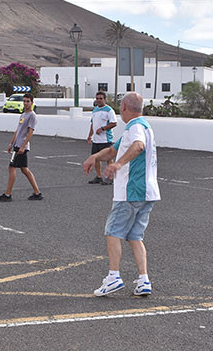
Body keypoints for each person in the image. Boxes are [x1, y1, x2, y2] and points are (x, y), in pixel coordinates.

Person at [84, 92, 160, 297]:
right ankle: (143, 280)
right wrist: (95, 157)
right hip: (147, 193)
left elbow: (138, 146)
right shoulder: (142, 126)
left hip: (131, 191)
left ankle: (114, 276)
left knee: (113, 231)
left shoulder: (135, 127)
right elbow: (112, 150)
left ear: (124, 107)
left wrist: (118, 164)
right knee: (135, 236)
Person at [0, 93, 43, 202]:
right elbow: (18, 130)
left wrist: (23, 146)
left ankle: (8, 194)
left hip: (21, 146)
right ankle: (37, 193)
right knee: (24, 169)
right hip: (17, 145)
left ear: (32, 102)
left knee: (12, 167)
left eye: (28, 101)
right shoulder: (23, 114)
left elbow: (30, 132)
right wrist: (11, 143)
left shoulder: (32, 115)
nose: (25, 103)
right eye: (24, 101)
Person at [87, 91, 117, 185]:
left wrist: (103, 129)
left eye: (101, 98)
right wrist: (90, 135)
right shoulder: (95, 110)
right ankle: (99, 177)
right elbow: (92, 124)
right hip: (96, 140)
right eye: (97, 98)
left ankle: (110, 178)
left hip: (105, 140)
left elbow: (114, 123)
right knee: (96, 158)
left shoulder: (109, 110)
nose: (98, 100)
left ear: (105, 99)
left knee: (109, 159)